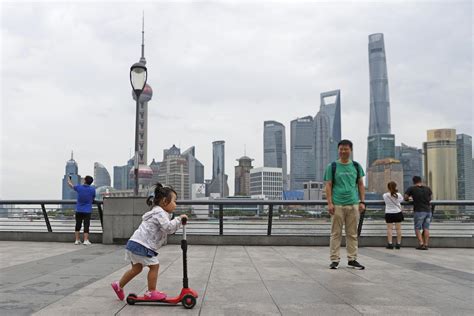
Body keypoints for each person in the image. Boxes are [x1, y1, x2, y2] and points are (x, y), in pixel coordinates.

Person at [111, 183, 187, 301]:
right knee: (154, 266)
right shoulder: (160, 213)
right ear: (164, 201)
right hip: (141, 245)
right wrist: (179, 219)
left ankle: (118, 285)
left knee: (136, 269)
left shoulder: (158, 212)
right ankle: (151, 292)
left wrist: (175, 220)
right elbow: (168, 228)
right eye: (174, 201)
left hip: (134, 243)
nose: (175, 205)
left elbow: (166, 228)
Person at [324, 139, 366, 270]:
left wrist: (362, 201)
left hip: (353, 204)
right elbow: (328, 185)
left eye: (346, 149)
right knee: (335, 233)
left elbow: (360, 184)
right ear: (338, 150)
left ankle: (352, 259)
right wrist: (330, 203)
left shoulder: (356, 166)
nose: (343, 151)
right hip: (337, 204)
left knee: (352, 234)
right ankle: (334, 260)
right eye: (341, 149)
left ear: (351, 150)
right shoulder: (332, 166)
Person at [405, 176, 432, 250]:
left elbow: (406, 198)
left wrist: (411, 198)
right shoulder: (428, 188)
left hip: (419, 211)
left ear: (413, 181)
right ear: (421, 181)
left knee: (417, 228)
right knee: (426, 228)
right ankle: (426, 244)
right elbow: (430, 198)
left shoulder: (411, 188)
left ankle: (421, 243)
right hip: (428, 211)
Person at [67, 175, 96, 245]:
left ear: (85, 181)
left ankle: (77, 240)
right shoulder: (92, 189)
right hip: (87, 210)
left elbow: (70, 185)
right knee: (86, 225)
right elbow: (93, 198)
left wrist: (69, 179)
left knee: (78, 224)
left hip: (79, 209)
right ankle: (85, 240)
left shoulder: (79, 187)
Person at [383, 181, 404, 249]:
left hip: (389, 213)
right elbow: (401, 201)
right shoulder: (399, 195)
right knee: (398, 229)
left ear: (388, 187)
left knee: (389, 229)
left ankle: (390, 244)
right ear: (395, 187)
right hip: (397, 213)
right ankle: (398, 244)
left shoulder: (385, 195)